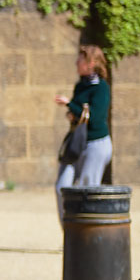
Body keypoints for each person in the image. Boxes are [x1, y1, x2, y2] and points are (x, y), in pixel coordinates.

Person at [54, 43, 112, 210]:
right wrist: (71, 112)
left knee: (87, 190)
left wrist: (69, 104)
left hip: (96, 144)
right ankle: (68, 226)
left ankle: (86, 226)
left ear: (90, 63)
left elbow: (94, 118)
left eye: (80, 60)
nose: (76, 63)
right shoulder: (80, 86)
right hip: (77, 142)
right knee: (61, 187)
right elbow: (78, 112)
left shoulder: (101, 88)